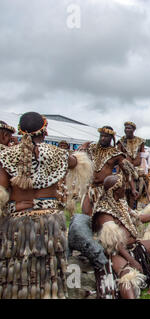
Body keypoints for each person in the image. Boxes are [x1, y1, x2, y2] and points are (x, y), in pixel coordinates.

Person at [0, 112, 92, 299]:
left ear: (20, 131)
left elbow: (2, 191)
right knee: (49, 272)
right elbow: (76, 162)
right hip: (49, 222)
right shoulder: (57, 154)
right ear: (45, 130)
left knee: (16, 273)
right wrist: (80, 152)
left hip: (17, 221)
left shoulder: (6, 155)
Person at [92, 174, 150, 298]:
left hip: (135, 246)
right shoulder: (103, 212)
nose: (126, 188)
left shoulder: (120, 203)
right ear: (115, 190)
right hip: (117, 253)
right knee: (128, 277)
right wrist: (132, 261)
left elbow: (138, 217)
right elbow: (115, 243)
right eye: (123, 187)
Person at [79, 126, 138, 216]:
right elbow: (78, 160)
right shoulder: (91, 149)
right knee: (86, 213)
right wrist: (83, 149)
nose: (102, 138)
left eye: (106, 136)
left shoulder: (116, 154)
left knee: (104, 215)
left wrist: (133, 189)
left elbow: (128, 173)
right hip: (90, 187)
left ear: (111, 138)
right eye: (101, 136)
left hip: (106, 189)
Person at [117, 121, 147, 209]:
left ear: (133, 130)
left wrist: (144, 169)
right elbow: (118, 157)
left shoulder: (140, 141)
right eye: (125, 128)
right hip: (125, 170)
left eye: (129, 128)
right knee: (125, 191)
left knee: (138, 191)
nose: (127, 130)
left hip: (137, 170)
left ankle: (135, 209)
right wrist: (118, 172)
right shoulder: (121, 142)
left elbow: (143, 156)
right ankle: (125, 209)